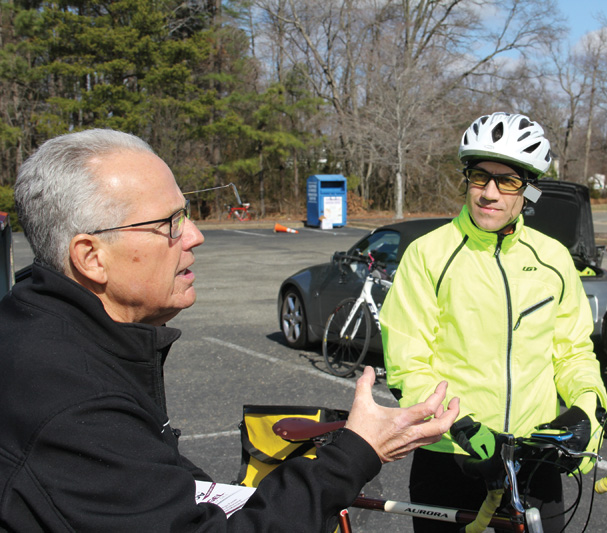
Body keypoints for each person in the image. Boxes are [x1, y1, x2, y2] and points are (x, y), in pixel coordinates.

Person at [0, 129, 460, 532]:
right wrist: (358, 451)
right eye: (170, 223)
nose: (196, 235)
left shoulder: (43, 330)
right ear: (91, 257)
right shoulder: (73, 405)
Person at [379, 112, 607, 533]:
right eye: (479, 176)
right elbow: (407, 364)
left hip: (535, 456)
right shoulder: (429, 256)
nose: (489, 193)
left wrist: (585, 410)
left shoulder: (553, 258)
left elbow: (573, 352)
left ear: (529, 190)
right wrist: (464, 430)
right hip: (453, 458)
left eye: (508, 181)